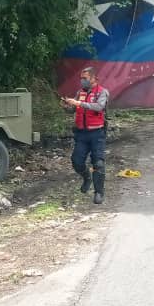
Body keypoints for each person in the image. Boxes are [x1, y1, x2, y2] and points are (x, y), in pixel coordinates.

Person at [64, 67, 109, 204]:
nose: (82, 81)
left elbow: (99, 107)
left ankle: (99, 192)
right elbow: (73, 110)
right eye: (81, 78)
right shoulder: (80, 93)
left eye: (85, 78)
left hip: (97, 133)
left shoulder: (102, 92)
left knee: (98, 163)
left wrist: (79, 103)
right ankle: (87, 178)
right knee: (76, 161)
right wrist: (67, 105)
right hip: (82, 133)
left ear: (94, 78)